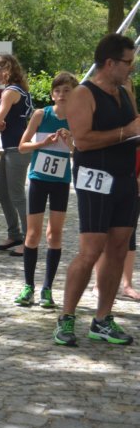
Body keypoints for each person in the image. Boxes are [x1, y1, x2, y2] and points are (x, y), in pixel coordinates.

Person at [54, 34, 138, 347]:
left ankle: (102, 319)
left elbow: (135, 129)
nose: (131, 67)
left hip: (125, 178)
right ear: (110, 63)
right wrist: (125, 132)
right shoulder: (82, 94)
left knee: (118, 249)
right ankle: (66, 317)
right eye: (128, 62)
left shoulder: (126, 90)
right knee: (91, 251)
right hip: (95, 178)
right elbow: (83, 141)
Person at [13, 72, 77, 308]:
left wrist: (70, 141)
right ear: (52, 94)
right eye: (58, 91)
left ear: (75, 94)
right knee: (33, 234)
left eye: (67, 91)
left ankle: (47, 289)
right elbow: (22, 146)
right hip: (38, 179)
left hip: (61, 182)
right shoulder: (41, 114)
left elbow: (80, 151)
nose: (62, 95)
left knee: (55, 234)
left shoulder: (77, 119)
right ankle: (28, 286)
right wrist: (43, 143)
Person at [92, 79, 140, 302]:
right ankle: (98, 282)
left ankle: (127, 284)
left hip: (132, 184)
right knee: (100, 234)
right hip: (106, 182)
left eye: (126, 88)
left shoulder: (136, 121)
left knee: (128, 236)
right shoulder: (105, 118)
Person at [0, 54, 33, 257]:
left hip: (17, 149)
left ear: (5, 71)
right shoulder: (20, 90)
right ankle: (14, 234)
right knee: (1, 190)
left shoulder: (9, 92)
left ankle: (29, 240)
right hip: (11, 149)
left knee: (17, 195)